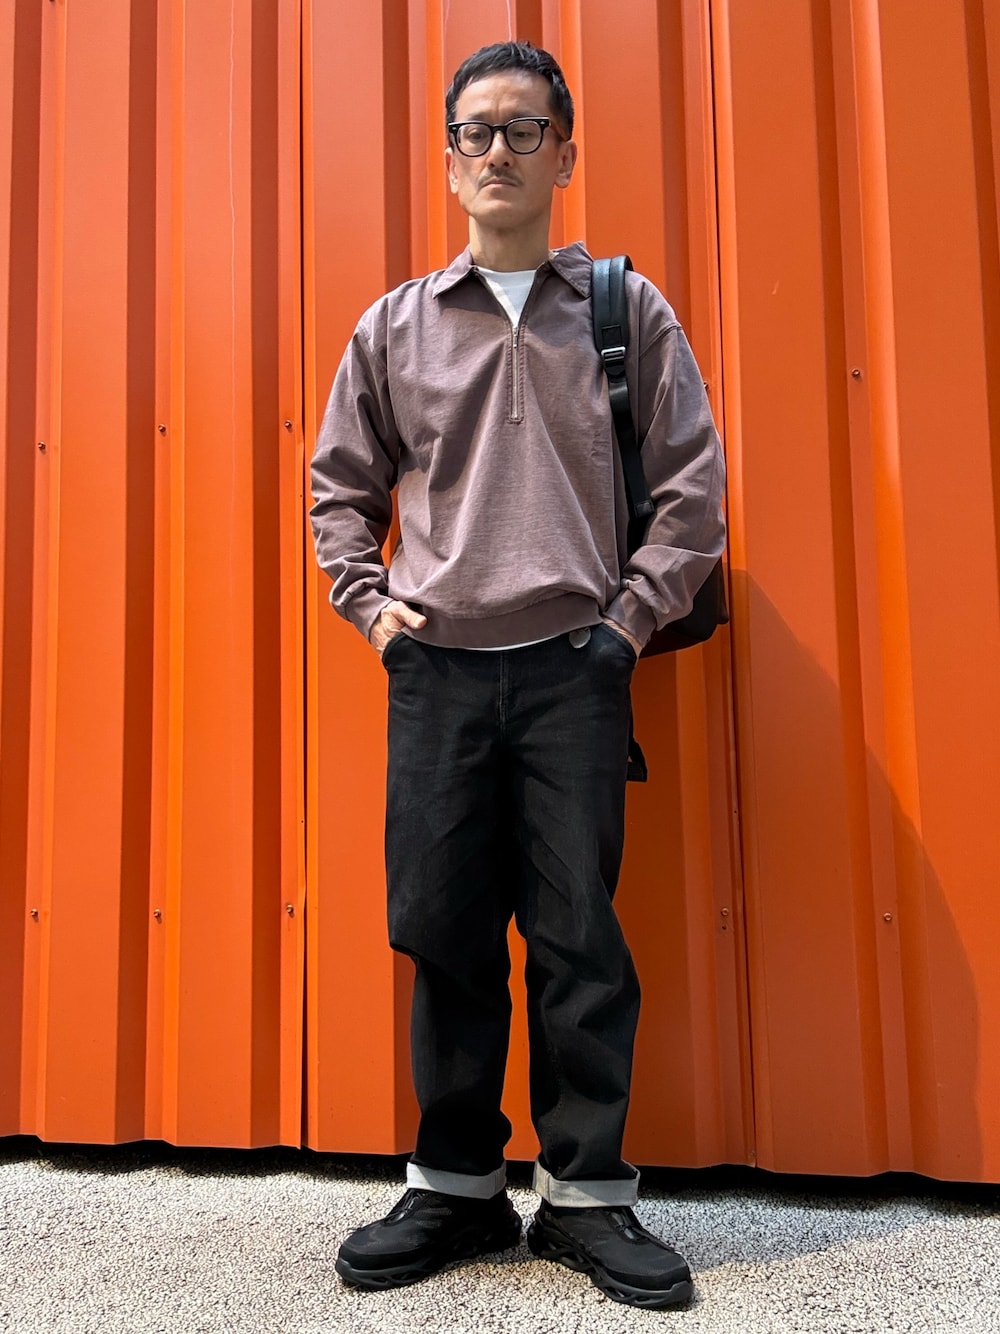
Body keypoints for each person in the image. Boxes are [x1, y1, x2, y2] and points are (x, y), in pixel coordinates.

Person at [310, 40, 725, 1311]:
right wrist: (374, 611)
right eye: (476, 132)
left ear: (564, 154)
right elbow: (338, 491)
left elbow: (693, 494)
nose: (498, 150)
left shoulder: (622, 312)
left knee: (577, 937)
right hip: (436, 673)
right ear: (449, 163)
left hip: (572, 672)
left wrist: (624, 628)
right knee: (442, 933)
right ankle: (455, 1186)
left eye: (523, 129)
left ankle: (587, 1199)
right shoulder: (394, 325)